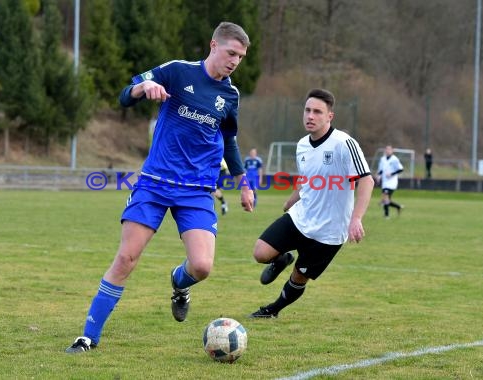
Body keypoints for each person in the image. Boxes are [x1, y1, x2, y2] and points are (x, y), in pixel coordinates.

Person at [65, 22, 255, 353]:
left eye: (240, 57)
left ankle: (179, 285)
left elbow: (229, 140)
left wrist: (244, 184)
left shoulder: (230, 95)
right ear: (213, 45)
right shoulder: (178, 71)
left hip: (197, 189)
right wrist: (145, 88)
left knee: (202, 267)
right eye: (231, 53)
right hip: (155, 183)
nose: (235, 61)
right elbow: (126, 94)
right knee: (126, 257)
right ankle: (87, 338)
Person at [248, 89, 374, 318]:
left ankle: (272, 310)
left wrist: (356, 218)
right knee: (260, 253)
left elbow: (367, 181)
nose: (310, 116)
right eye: (307, 110)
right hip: (300, 217)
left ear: (329, 116)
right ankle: (281, 258)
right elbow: (306, 180)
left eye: (317, 112)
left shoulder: (344, 144)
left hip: (329, 231)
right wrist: (290, 200)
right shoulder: (302, 145)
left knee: (299, 276)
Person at [376, 145, 404, 218]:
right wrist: (379, 176)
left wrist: (392, 174)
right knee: (386, 199)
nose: (388, 151)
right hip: (385, 182)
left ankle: (386, 215)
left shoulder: (395, 159)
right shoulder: (382, 159)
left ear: (392, 151)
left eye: (389, 149)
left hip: (392, 182)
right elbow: (381, 169)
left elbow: (401, 169)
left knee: (385, 197)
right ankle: (398, 207)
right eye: (386, 149)